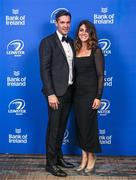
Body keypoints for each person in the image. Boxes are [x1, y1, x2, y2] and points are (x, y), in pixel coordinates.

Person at [39, 10, 74, 177]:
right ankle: (50, 164)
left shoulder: (73, 42)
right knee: (53, 129)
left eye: (68, 22)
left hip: (69, 92)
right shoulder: (47, 42)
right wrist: (50, 94)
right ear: (56, 23)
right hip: (55, 94)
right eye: (62, 22)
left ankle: (59, 158)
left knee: (61, 128)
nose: (66, 25)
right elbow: (44, 71)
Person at [74, 20, 104, 175]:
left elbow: (100, 76)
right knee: (80, 126)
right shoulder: (75, 49)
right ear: (78, 32)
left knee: (89, 127)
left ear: (91, 32)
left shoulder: (96, 50)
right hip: (77, 95)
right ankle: (84, 157)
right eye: (80, 30)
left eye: (86, 30)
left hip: (90, 95)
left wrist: (98, 96)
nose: (83, 32)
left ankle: (92, 157)